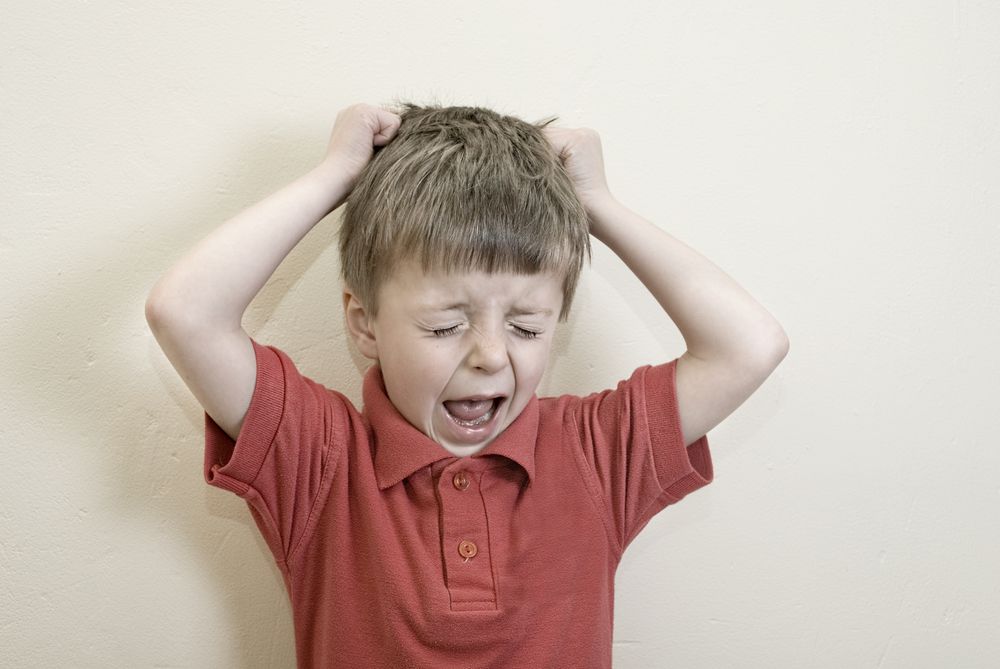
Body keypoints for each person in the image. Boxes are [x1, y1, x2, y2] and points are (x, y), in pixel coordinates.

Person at [145, 102, 788, 668]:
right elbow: (185, 312)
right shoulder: (317, 459)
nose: (490, 356)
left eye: (527, 327)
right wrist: (334, 176)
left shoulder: (596, 454)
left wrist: (599, 207)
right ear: (364, 325)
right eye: (446, 324)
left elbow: (750, 346)